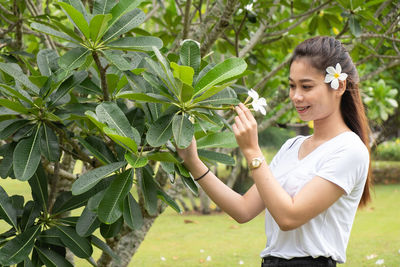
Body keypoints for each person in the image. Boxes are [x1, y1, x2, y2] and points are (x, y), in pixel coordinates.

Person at [176, 36, 371, 267]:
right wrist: (193, 161)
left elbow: (289, 217)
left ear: (338, 86)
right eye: (292, 85)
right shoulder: (292, 146)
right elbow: (243, 209)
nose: (296, 96)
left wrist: (252, 151)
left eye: (306, 86)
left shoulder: (349, 149)